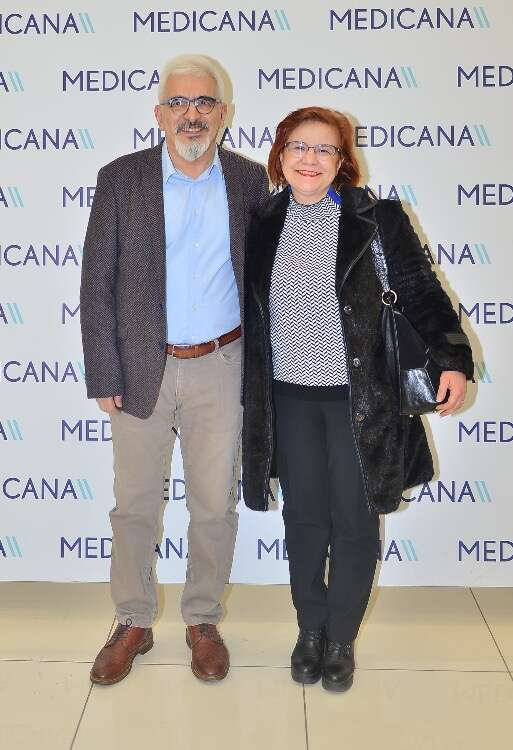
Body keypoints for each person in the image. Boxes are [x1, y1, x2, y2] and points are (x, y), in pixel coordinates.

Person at [241, 106, 473, 693]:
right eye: (299, 146)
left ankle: (340, 637)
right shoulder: (260, 221)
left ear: (343, 160)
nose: (310, 158)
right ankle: (309, 630)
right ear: (280, 156)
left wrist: (453, 361)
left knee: (355, 516)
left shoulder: (377, 218)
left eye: (325, 148)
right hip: (288, 398)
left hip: (361, 400)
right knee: (304, 518)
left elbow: (422, 291)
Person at [80, 54, 268, 685]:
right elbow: (96, 282)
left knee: (214, 506)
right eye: (179, 103)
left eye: (204, 103)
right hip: (140, 368)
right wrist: (104, 371)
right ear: (159, 114)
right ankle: (132, 620)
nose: (193, 115)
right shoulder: (121, 178)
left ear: (224, 113)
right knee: (134, 506)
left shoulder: (249, 181)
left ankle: (203, 620)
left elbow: (269, 279)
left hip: (222, 363)